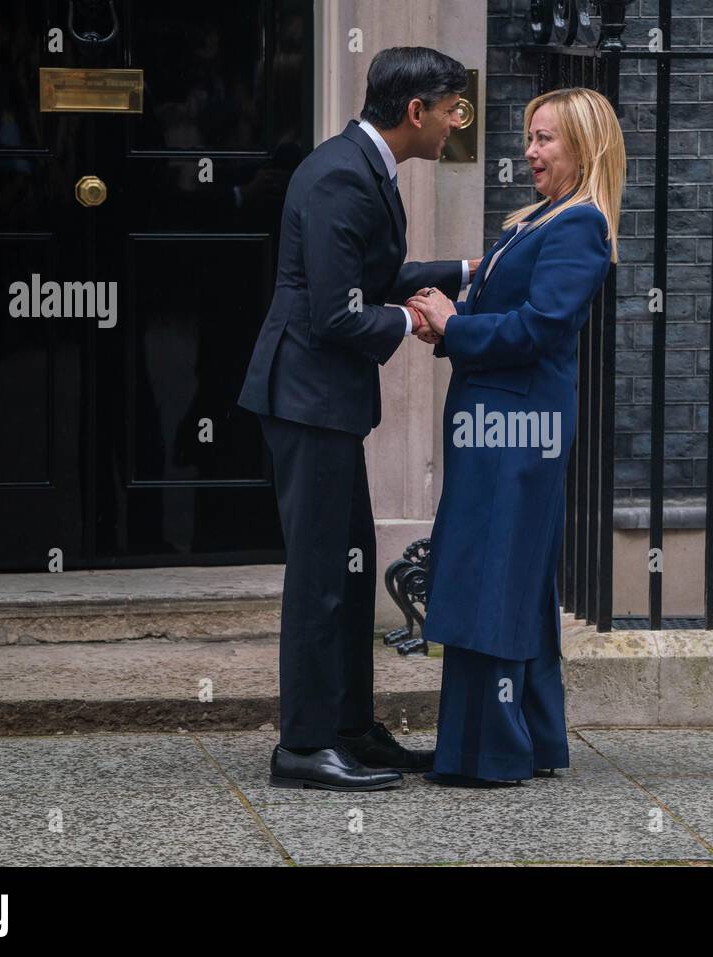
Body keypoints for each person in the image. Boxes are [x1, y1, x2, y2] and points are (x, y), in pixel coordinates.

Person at [237, 47, 482, 791]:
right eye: (452, 110)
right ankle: (305, 746)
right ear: (417, 112)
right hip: (306, 400)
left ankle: (348, 728)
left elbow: (371, 277)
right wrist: (414, 322)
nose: (455, 125)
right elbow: (338, 314)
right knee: (319, 577)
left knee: (348, 565)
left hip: (324, 405)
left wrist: (469, 272)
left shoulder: (360, 165)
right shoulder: (344, 174)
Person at [406, 87, 626, 787]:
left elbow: (542, 328)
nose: (528, 152)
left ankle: (487, 752)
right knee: (512, 581)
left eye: (545, 140)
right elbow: (508, 307)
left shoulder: (578, 225)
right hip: (496, 427)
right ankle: (528, 740)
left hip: (517, 433)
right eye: (529, 138)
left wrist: (454, 325)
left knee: (491, 577)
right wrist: (452, 311)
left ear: (584, 147)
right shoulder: (538, 220)